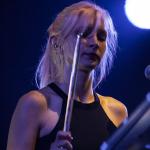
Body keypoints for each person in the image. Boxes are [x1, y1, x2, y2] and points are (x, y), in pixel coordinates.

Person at [7, 1, 128, 150]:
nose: (95, 43)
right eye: (84, 34)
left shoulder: (117, 111)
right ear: (56, 42)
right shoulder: (34, 105)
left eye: (101, 37)